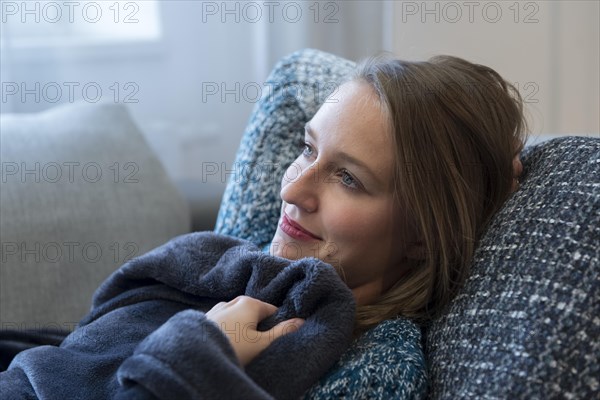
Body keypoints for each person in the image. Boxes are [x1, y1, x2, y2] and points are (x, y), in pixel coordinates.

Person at [0, 54, 526, 399]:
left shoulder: (377, 367)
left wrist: (196, 355)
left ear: (422, 234)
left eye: (347, 177)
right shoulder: (259, 263)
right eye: (307, 149)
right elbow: (296, 76)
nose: (291, 190)